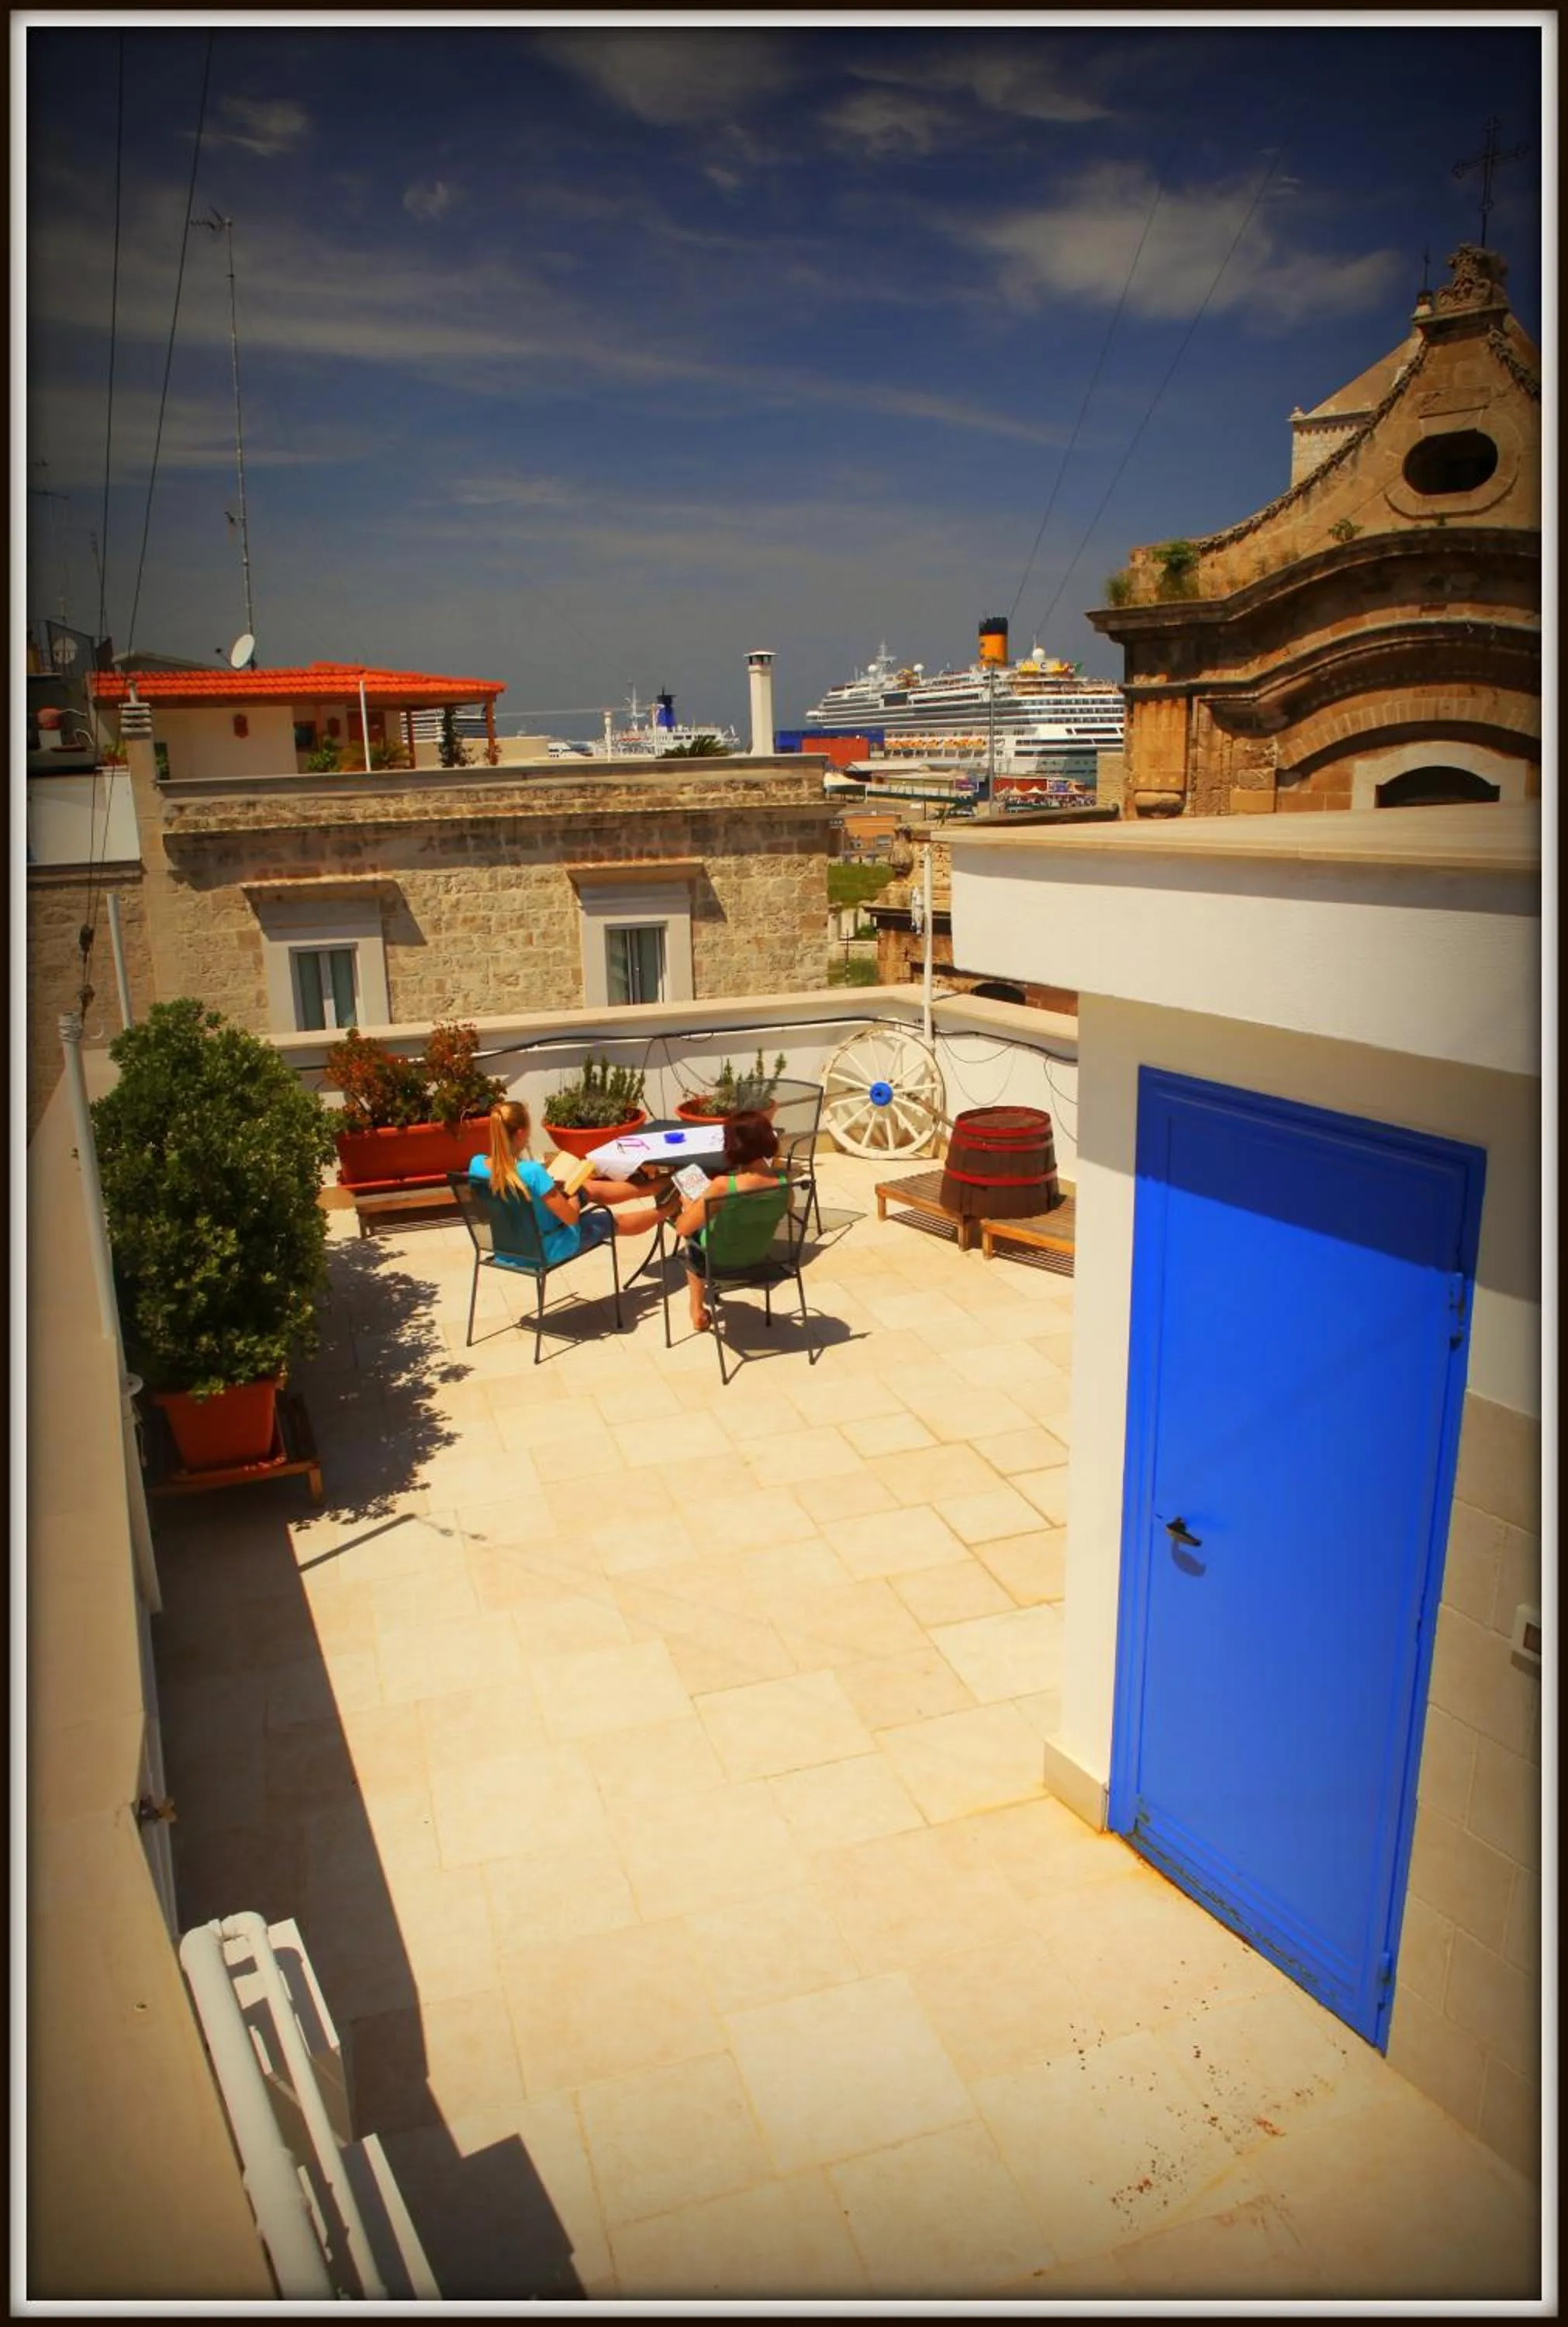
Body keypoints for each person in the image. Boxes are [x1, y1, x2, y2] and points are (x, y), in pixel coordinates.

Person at [470, 1100, 676, 1264]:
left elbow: (489, 1209)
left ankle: (653, 1187)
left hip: (508, 1246)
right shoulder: (532, 1172)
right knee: (609, 1220)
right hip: (545, 1248)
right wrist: (572, 1196)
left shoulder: (476, 1164)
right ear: (520, 1133)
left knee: (588, 1187)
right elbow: (570, 1218)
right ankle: (670, 1208)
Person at [666, 1109, 793, 1333]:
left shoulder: (724, 1186)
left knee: (692, 1237)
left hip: (719, 1262)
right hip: (759, 1257)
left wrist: (689, 1205)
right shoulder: (784, 1183)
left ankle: (696, 1308)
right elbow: (782, 1208)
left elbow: (682, 1228)